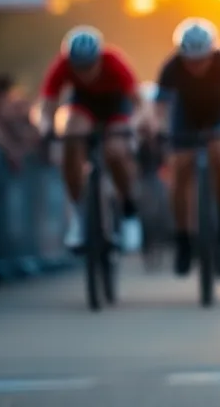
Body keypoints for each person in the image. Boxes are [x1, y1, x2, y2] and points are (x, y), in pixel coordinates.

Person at [152, 18, 220, 280]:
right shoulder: (171, 67)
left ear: (211, 52)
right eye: (190, 61)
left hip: (219, 116)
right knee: (179, 168)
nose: (196, 66)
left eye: (201, 60)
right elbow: (159, 109)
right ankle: (183, 238)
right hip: (186, 118)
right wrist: (160, 130)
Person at [38, 26, 142, 253]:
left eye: (89, 65)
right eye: (79, 67)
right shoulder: (62, 65)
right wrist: (45, 128)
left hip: (115, 106)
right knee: (70, 138)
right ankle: (78, 215)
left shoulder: (114, 61)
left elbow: (137, 102)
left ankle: (129, 211)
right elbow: (46, 107)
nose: (85, 72)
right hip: (84, 105)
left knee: (115, 150)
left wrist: (134, 127)